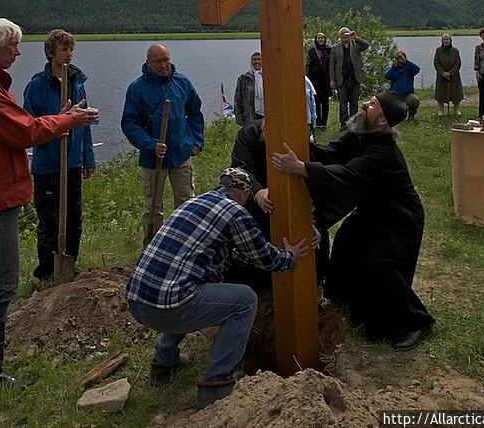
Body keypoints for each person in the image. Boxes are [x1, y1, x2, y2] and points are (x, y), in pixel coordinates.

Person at [0, 17, 98, 397]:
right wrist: (69, 119)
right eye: (13, 45)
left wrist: (63, 120)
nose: (18, 51)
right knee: (2, 281)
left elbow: (20, 126)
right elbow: (23, 130)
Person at [125, 167, 308, 409]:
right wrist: (289, 256)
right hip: (168, 307)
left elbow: (225, 255)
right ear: (243, 194)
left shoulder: (195, 202)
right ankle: (216, 385)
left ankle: (163, 363)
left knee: (191, 286)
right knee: (245, 301)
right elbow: (264, 258)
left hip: (137, 300)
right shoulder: (235, 212)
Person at [271, 92, 434, 351]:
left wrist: (302, 168)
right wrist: (300, 143)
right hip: (373, 211)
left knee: (380, 264)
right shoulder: (360, 134)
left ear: (382, 121)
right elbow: (333, 153)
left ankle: (412, 321)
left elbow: (348, 174)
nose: (365, 105)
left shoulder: (384, 153)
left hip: (399, 217)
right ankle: (346, 302)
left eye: (372, 105)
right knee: (347, 241)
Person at [23, 29, 96, 281]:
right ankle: (47, 272)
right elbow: (28, 126)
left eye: (71, 49)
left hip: (72, 162)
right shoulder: (36, 86)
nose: (68, 54)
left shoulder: (77, 82)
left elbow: (84, 124)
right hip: (48, 165)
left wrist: (89, 158)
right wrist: (59, 120)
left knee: (74, 219)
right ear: (50, 52)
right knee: (50, 222)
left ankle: (68, 266)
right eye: (63, 49)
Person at [121, 44, 204, 247]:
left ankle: (186, 246)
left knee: (186, 203)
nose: (164, 65)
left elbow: (195, 112)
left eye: (166, 59)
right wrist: (150, 144)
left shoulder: (182, 82)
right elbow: (129, 124)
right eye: (158, 61)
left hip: (181, 154)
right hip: (153, 159)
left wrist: (196, 142)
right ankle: (153, 248)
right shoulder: (137, 88)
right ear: (148, 62)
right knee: (153, 208)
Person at [229, 118, 328, 286]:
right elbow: (240, 167)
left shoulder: (296, 135)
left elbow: (312, 176)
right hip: (260, 196)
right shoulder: (248, 134)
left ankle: (316, 276)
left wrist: (311, 216)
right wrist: (258, 191)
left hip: (295, 193)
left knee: (313, 237)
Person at [329, 27, 369, 130]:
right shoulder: (335, 48)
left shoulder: (356, 45)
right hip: (342, 80)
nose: (344, 35)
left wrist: (356, 38)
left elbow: (366, 45)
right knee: (343, 103)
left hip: (355, 78)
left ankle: (353, 123)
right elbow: (332, 65)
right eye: (342, 34)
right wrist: (332, 80)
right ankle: (343, 124)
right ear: (340, 36)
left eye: (346, 33)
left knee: (354, 103)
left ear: (349, 34)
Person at [305, 32, 332, 130]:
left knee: (325, 102)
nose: (320, 39)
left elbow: (332, 65)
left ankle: (324, 123)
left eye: (322, 38)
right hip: (314, 81)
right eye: (319, 38)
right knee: (315, 102)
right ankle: (318, 122)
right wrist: (306, 78)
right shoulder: (311, 52)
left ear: (325, 39)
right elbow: (307, 65)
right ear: (316, 39)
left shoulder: (329, 51)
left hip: (325, 80)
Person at [433, 35, 464, 119]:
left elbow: (458, 63)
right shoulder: (438, 50)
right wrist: (443, 73)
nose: (446, 41)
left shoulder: (455, 50)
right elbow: (436, 63)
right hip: (441, 76)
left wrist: (450, 73)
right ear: (442, 41)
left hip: (454, 76)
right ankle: (441, 110)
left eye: (447, 39)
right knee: (440, 94)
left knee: (456, 94)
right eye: (444, 39)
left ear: (450, 40)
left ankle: (456, 110)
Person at [385, 51, 421, 119]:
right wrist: (394, 67)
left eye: (401, 58)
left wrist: (406, 62)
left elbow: (417, 69)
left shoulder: (409, 69)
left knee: (414, 100)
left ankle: (411, 114)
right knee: (387, 102)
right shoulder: (393, 69)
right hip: (395, 95)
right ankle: (394, 116)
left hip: (407, 94)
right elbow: (387, 76)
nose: (399, 60)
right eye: (398, 58)